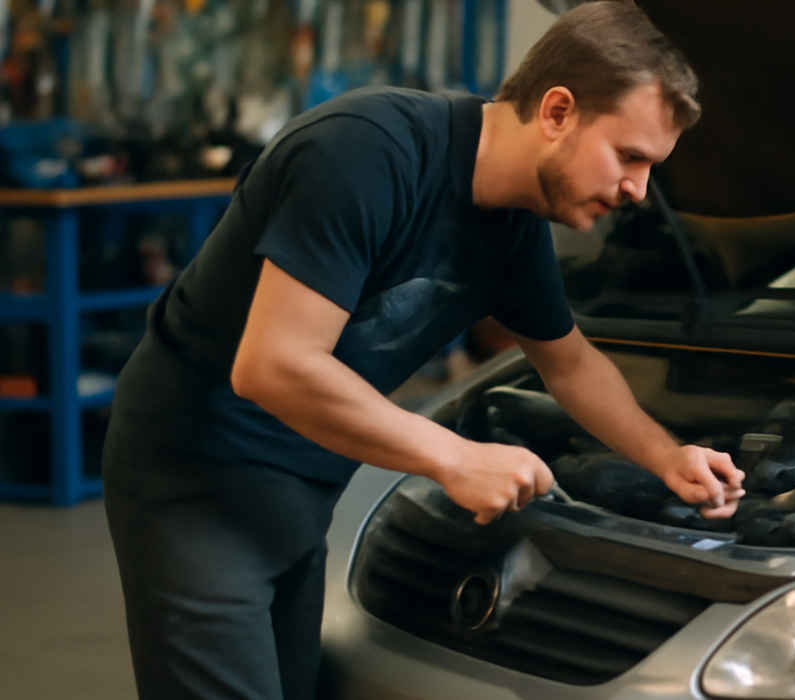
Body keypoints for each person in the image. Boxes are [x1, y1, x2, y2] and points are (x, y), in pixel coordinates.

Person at [101, 3, 744, 699]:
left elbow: (570, 363)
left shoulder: (512, 228)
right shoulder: (367, 152)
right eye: (630, 156)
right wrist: (455, 457)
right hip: (195, 476)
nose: (639, 191)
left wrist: (666, 457)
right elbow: (273, 365)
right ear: (557, 111)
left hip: (304, 480)